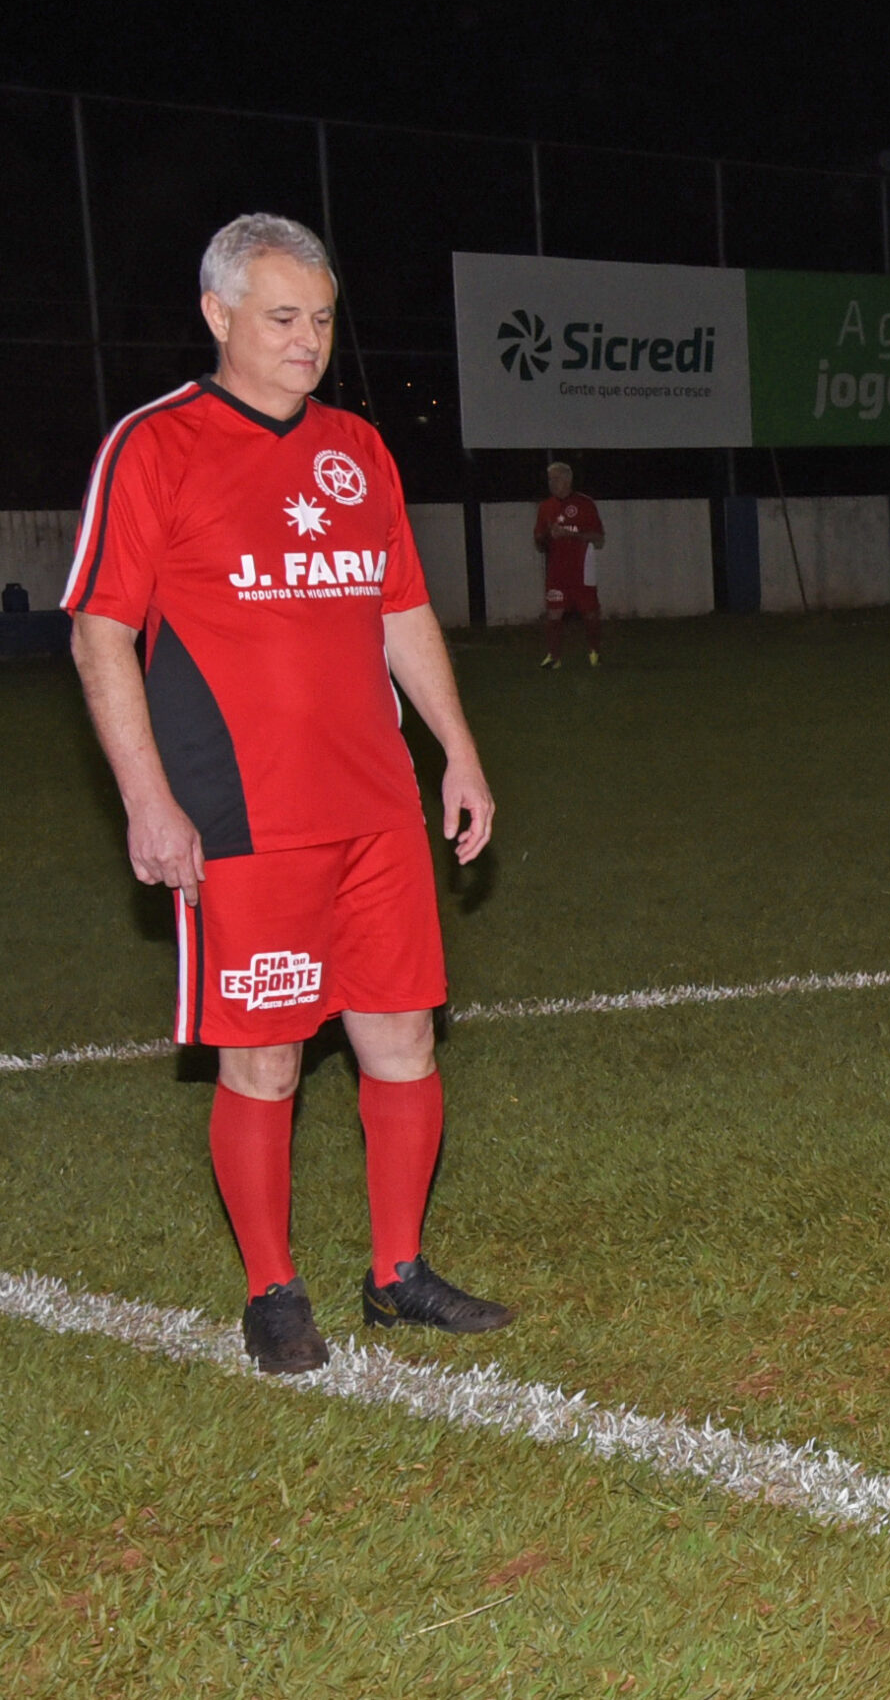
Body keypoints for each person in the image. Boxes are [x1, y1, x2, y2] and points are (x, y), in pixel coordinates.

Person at [63, 213, 513, 1375]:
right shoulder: (156, 447)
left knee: (402, 1039)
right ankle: (273, 1291)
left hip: (373, 806)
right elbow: (101, 636)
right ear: (218, 316)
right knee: (262, 1058)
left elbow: (397, 607)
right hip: (241, 816)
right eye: (281, 317)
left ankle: (398, 1272)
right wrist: (147, 802)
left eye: (320, 318)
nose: (307, 340)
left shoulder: (358, 446)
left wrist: (457, 750)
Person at [535, 460, 606, 668]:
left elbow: (599, 538)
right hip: (557, 571)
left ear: (568, 480)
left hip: (582, 570)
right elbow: (539, 542)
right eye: (549, 479)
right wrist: (546, 535)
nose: (551, 482)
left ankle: (595, 652)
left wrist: (570, 534)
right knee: (554, 614)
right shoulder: (546, 507)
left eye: (555, 478)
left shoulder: (585, 504)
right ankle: (554, 657)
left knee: (590, 613)